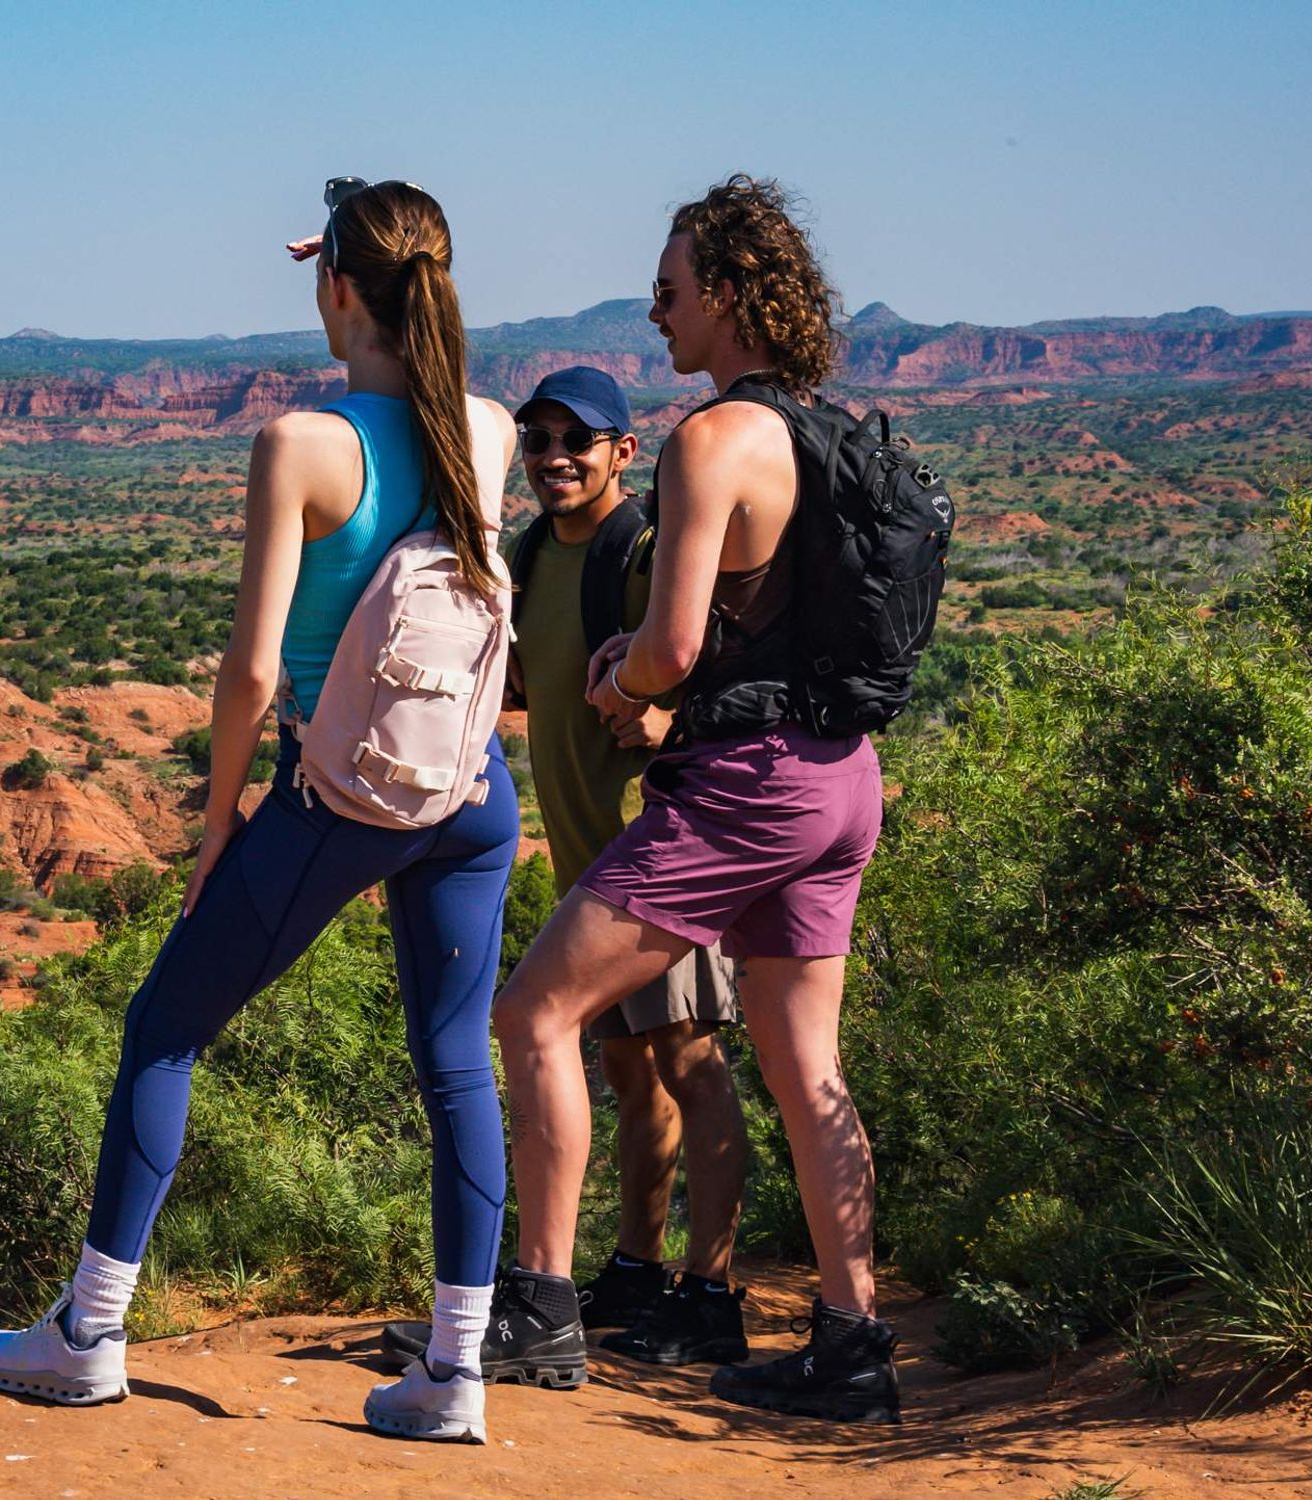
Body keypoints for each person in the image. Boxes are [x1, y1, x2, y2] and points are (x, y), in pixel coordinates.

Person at [0, 177, 521, 1446]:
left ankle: (88, 1336)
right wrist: (359, 254)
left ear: (335, 289)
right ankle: (455, 1371)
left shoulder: (301, 444)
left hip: (335, 797)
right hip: (467, 791)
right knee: (454, 1062)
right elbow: (409, 323)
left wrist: (221, 815)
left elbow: (253, 671)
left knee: (162, 1032)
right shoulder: (486, 429)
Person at [490, 176, 902, 1424]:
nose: (657, 312)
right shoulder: (827, 434)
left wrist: (622, 673)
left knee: (535, 1011)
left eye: (669, 291)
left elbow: (670, 649)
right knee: (807, 1068)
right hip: (841, 777)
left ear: (725, 292)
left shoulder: (712, 439)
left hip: (744, 786)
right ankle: (852, 1347)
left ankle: (538, 1307)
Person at [380, 366, 750, 1387]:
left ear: (622, 452)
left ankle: (712, 1297)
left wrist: (671, 717)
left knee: (691, 1062)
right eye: (538, 440)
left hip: (660, 853)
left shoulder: (640, 551)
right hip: (591, 859)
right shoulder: (537, 554)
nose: (553, 458)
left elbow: (707, 662)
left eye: (576, 441)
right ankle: (634, 1271)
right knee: (633, 1071)